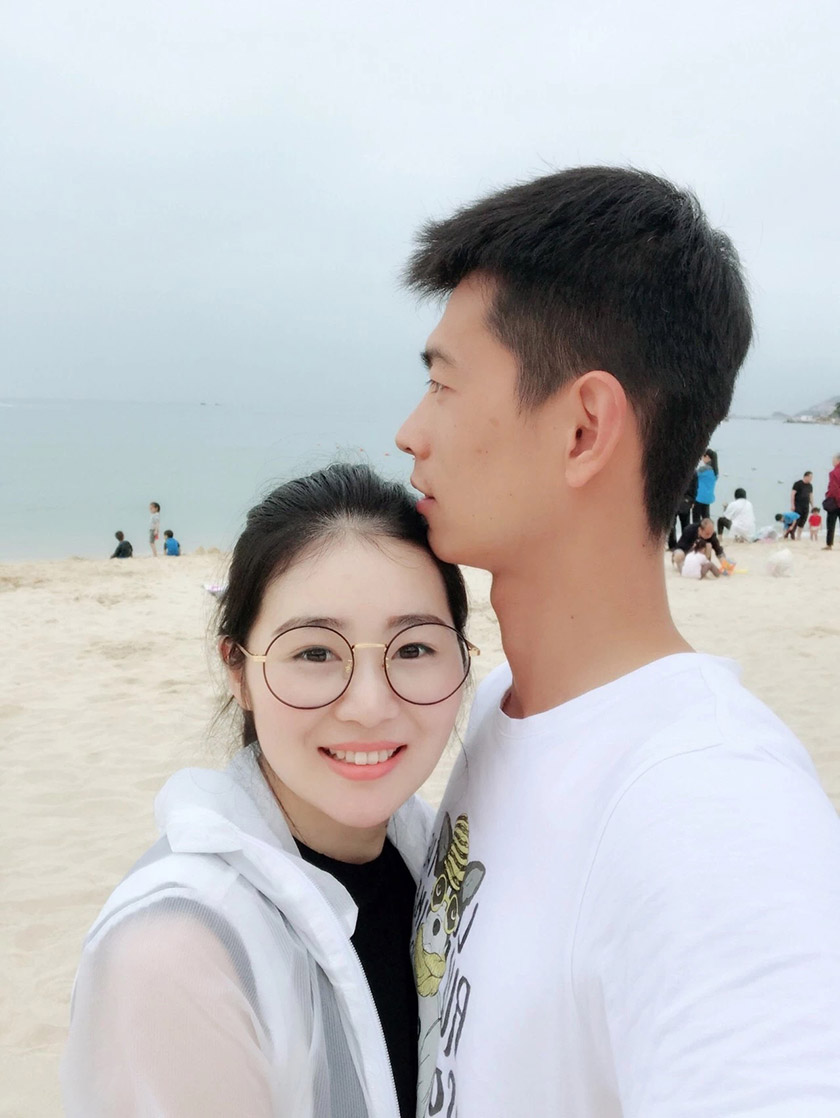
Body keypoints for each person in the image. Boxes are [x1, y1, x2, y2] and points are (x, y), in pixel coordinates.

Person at [395, 166, 840, 1117]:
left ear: (583, 429)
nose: (409, 432)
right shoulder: (504, 707)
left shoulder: (713, 808)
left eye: (441, 383)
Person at [62, 463, 475, 1118]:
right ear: (238, 670)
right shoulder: (178, 953)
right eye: (315, 653)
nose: (370, 705)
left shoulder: (434, 859)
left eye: (413, 648)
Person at [666, 474, 696, 551]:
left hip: (680, 500)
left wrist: (692, 500)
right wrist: (692, 500)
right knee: (681, 524)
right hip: (681, 500)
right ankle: (680, 544)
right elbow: (695, 488)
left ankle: (675, 545)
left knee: (679, 524)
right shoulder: (693, 472)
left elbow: (694, 487)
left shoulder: (693, 473)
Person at [691, 448, 718, 521]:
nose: (702, 458)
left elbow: (692, 476)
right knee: (706, 518)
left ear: (707, 457)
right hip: (708, 498)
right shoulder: (715, 472)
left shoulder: (703, 469)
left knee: (696, 519)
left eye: (703, 456)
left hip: (699, 497)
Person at [823, 453, 840, 550]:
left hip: (835, 502)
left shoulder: (833, 473)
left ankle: (829, 544)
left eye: (834, 460)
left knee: (831, 524)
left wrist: (828, 495)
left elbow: (834, 488)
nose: (832, 462)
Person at [791, 471, 814, 539]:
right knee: (796, 520)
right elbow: (792, 494)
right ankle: (792, 535)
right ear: (805, 476)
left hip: (806, 505)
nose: (811, 479)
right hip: (798, 505)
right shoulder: (798, 484)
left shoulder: (810, 485)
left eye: (811, 478)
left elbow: (811, 496)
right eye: (810, 477)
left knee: (803, 521)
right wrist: (792, 505)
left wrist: (812, 506)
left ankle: (799, 536)